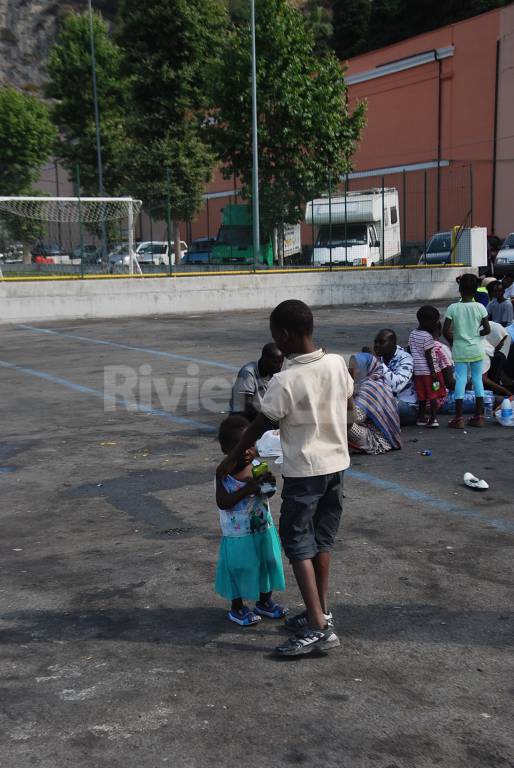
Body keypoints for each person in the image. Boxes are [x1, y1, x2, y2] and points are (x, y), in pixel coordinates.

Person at [217, 299, 354, 657]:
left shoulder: (286, 379)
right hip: (337, 467)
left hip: (305, 472)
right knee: (322, 543)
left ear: (284, 335)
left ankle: (320, 629)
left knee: (298, 547)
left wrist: (231, 457)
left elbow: (259, 425)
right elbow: (349, 405)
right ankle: (319, 612)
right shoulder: (337, 363)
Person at [215, 415, 286, 626]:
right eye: (240, 445)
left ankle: (264, 601)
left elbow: (266, 494)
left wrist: (268, 485)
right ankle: (237, 607)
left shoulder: (257, 464)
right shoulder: (224, 472)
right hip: (238, 534)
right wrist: (247, 489)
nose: (247, 450)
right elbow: (222, 502)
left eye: (251, 444)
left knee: (267, 562)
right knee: (240, 567)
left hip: (263, 528)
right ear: (226, 448)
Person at [443, 273, 490, 428]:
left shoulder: (453, 308)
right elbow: (487, 329)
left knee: (461, 380)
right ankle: (479, 416)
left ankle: (458, 418)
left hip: (460, 349)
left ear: (460, 289)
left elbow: (446, 330)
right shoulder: (480, 307)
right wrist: (476, 335)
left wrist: (454, 341)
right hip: (476, 349)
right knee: (477, 380)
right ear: (476, 289)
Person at [347, 353, 401, 454]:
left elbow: (356, 417)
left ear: (366, 368)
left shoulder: (370, 386)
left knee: (344, 422)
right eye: (350, 367)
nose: (351, 371)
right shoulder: (378, 381)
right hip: (373, 427)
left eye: (356, 368)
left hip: (377, 438)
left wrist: (346, 395)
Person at [409, 306, 447, 428]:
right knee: (433, 395)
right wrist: (434, 374)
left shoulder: (413, 334)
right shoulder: (427, 337)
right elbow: (429, 356)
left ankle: (421, 418)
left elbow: (409, 350)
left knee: (422, 396)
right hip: (430, 373)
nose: (436, 325)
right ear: (426, 322)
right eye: (435, 322)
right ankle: (433, 418)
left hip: (418, 372)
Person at [374, 329, 418, 426]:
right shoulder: (381, 359)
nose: (376, 346)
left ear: (392, 343)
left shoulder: (405, 358)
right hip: (385, 404)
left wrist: (377, 363)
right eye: (375, 342)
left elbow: (396, 386)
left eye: (381, 342)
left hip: (408, 408)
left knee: (380, 403)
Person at [229, 343, 284, 420]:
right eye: (275, 362)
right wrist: (268, 420)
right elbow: (246, 405)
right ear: (264, 359)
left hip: (263, 415)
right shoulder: (248, 372)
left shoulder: (278, 372)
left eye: (281, 362)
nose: (279, 366)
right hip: (242, 415)